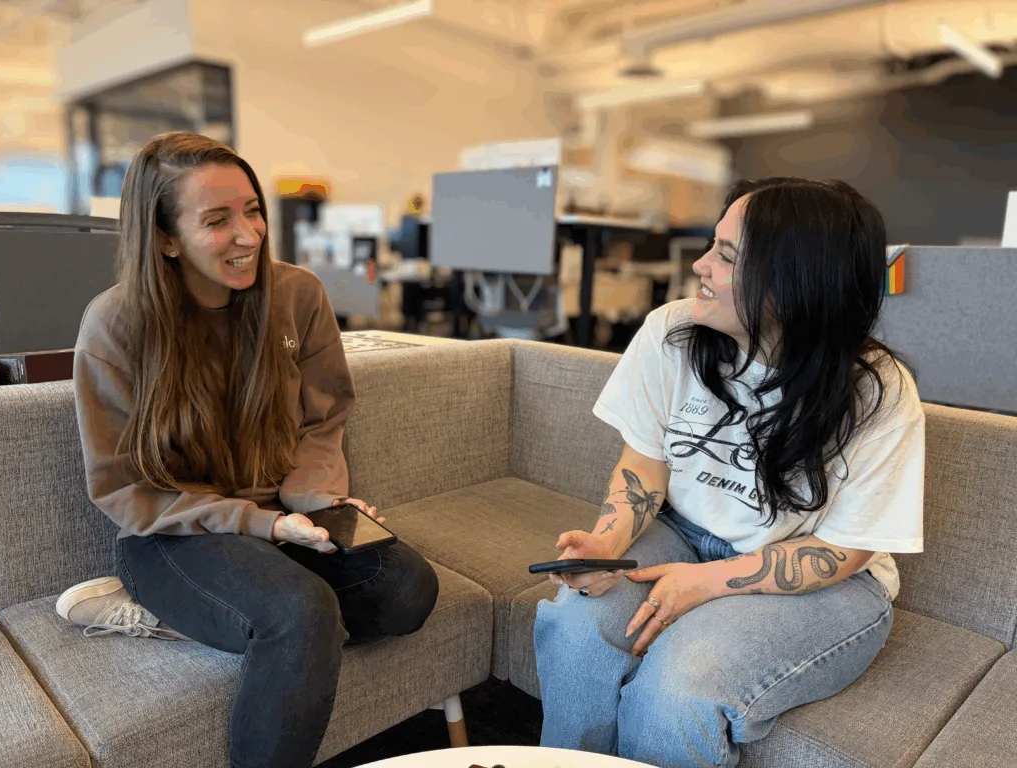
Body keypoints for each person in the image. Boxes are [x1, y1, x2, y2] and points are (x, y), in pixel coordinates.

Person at [56, 132, 439, 768]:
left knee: (407, 590)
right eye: (217, 220)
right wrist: (262, 524)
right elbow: (129, 491)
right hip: (173, 532)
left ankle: (212, 621)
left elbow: (324, 420)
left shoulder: (298, 296)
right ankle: (225, 613)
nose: (249, 234)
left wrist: (318, 501)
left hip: (283, 519)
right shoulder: (115, 325)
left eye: (253, 210)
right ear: (166, 239)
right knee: (302, 614)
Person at [534, 178, 924, 767]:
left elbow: (847, 550)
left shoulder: (877, 392)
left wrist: (709, 583)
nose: (699, 265)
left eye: (726, 255)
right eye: (711, 245)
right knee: (577, 628)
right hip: (683, 536)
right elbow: (644, 465)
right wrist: (607, 543)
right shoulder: (673, 333)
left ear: (793, 283)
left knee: (677, 686)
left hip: (834, 582)